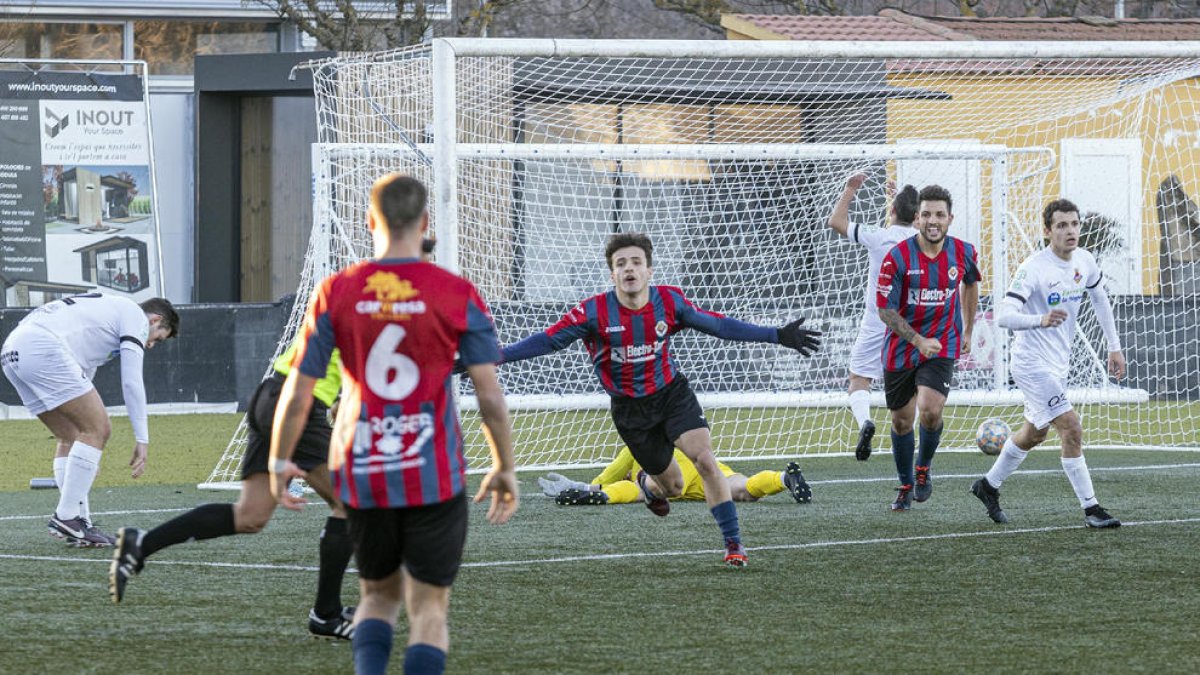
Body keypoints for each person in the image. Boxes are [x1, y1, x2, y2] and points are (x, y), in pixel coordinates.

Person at [269, 173, 518, 675]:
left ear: (369, 221)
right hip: (433, 472)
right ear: (425, 223)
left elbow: (298, 390)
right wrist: (504, 464)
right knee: (428, 609)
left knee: (377, 599)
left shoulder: (337, 290)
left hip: (363, 471)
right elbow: (489, 393)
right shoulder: (455, 292)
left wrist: (278, 458)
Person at [492, 231, 821, 567]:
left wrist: (776, 335)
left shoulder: (670, 302)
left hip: (671, 394)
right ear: (612, 274)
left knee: (706, 461)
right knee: (674, 487)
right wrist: (497, 357)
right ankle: (650, 489)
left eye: (636, 262)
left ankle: (734, 544)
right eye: (621, 264)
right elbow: (548, 341)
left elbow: (719, 325)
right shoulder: (593, 312)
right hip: (631, 412)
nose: (629, 269)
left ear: (649, 270)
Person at [107, 336, 357, 638]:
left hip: (271, 396)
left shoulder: (349, 300)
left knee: (250, 516)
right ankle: (326, 614)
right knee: (351, 505)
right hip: (298, 404)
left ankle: (142, 543)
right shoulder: (377, 304)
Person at [970, 199, 1125, 528]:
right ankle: (1092, 509)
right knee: (1071, 426)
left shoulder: (1085, 260)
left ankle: (988, 485)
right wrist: (1039, 320)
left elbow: (1100, 299)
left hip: (1057, 364)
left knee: (1034, 433)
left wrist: (1114, 347)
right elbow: (1004, 316)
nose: (1071, 231)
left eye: (1075, 224)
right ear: (1047, 231)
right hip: (1030, 363)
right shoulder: (1034, 268)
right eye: (1062, 225)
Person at [1, 294, 179, 547]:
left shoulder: (106, 313)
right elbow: (131, 381)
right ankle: (67, 517)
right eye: (157, 338)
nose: (151, 344)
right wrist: (142, 438)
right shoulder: (135, 317)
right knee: (99, 429)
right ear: (155, 319)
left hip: (13, 352)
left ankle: (78, 524)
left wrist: (85, 455)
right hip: (41, 346)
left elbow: (83, 373)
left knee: (72, 436)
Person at [876, 185, 980, 511]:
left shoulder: (964, 252)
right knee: (901, 423)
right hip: (902, 348)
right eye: (926, 215)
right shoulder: (897, 258)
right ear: (917, 219)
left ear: (950, 218)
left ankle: (923, 469)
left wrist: (967, 328)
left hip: (942, 343)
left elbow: (972, 282)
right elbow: (885, 310)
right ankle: (906, 484)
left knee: (931, 410)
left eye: (939, 214)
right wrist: (917, 340)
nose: (932, 221)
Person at [827, 173, 921, 461]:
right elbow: (908, 224)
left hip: (877, 318)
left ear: (891, 212)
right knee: (912, 385)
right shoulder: (921, 242)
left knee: (859, 378)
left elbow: (836, 223)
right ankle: (908, 441)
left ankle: (864, 421)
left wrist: (850, 189)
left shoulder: (878, 237)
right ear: (919, 216)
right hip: (911, 321)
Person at [538, 446, 812, 505]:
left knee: (642, 486)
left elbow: (608, 475)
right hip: (705, 467)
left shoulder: (635, 445)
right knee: (741, 488)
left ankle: (603, 499)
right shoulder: (683, 435)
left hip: (668, 473)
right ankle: (782, 479)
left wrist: (592, 488)